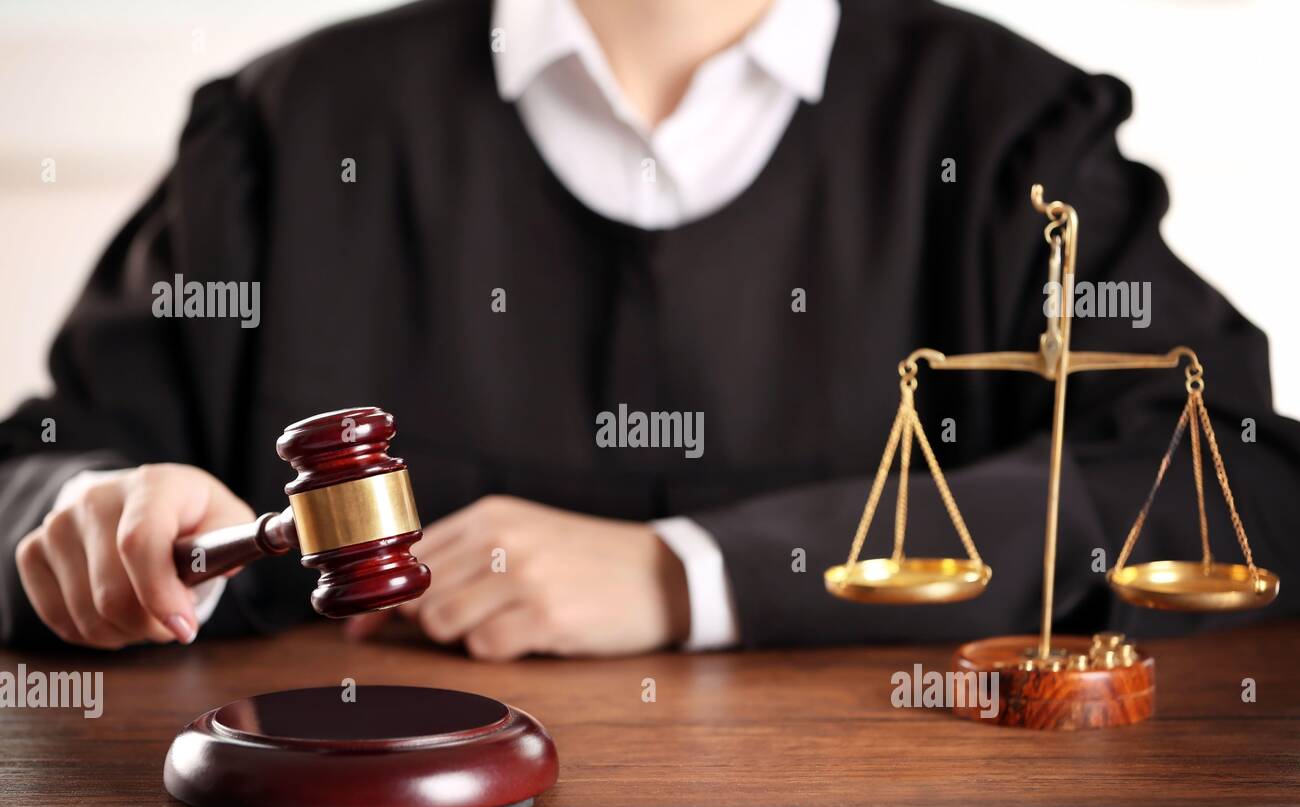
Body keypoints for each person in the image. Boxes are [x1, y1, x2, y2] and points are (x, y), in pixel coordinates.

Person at [2, 0, 1297, 657]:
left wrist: (692, 571)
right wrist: (87, 512)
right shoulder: (290, 137)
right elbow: (35, 474)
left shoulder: (1012, 136)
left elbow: (1235, 480)